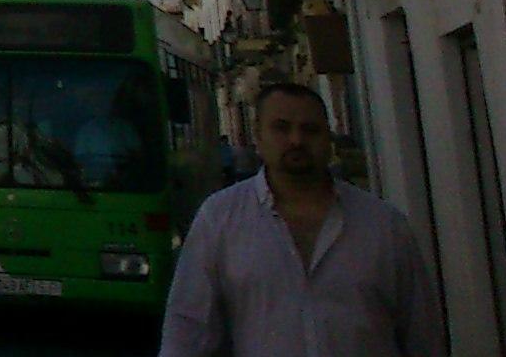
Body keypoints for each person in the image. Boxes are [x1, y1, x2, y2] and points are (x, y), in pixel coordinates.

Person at [159, 80, 443, 356]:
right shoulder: (219, 220)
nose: (296, 140)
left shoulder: (384, 225)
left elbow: (421, 332)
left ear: (327, 139)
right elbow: (188, 328)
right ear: (257, 136)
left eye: (310, 130)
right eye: (282, 128)